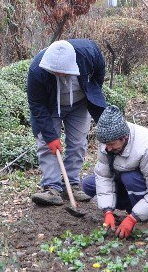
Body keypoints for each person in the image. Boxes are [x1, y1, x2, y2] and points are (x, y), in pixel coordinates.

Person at [81, 105, 148, 238]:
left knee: (130, 178)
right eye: (105, 144)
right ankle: (137, 208)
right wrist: (108, 211)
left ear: (124, 137)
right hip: (131, 177)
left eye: (112, 144)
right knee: (89, 184)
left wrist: (132, 218)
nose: (108, 148)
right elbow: (103, 176)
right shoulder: (107, 140)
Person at [27, 39, 107, 206]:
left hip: (79, 104)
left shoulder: (88, 53)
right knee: (46, 144)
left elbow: (99, 72)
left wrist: (92, 92)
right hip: (50, 107)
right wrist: (51, 137)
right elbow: (37, 106)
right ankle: (51, 188)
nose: (60, 75)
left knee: (78, 143)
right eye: (55, 72)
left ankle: (72, 183)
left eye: (63, 72)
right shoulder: (37, 70)